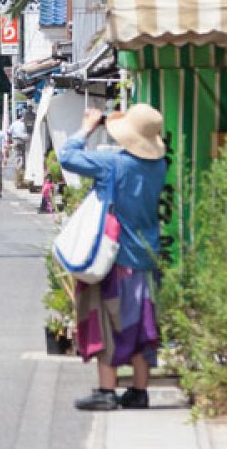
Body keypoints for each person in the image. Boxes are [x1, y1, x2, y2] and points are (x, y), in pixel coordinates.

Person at [59, 105, 167, 411]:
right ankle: (139, 392)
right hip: (146, 257)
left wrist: (87, 127)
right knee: (141, 327)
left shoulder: (114, 164)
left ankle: (107, 391)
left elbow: (67, 156)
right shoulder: (158, 166)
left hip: (115, 258)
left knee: (107, 322)